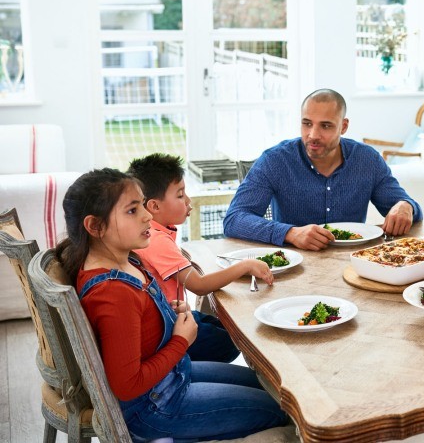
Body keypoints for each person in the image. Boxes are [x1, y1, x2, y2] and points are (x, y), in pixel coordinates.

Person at [55, 168, 288, 440]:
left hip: (173, 377)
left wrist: (162, 314)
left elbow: (134, 325)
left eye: (142, 204)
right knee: (279, 409)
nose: (147, 215)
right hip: (156, 406)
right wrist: (181, 341)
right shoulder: (113, 292)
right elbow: (127, 386)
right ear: (95, 226)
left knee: (275, 389)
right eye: (132, 211)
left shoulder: (126, 260)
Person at [223, 88, 423, 250]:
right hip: (294, 267)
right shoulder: (275, 160)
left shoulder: (367, 160)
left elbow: (407, 208)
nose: (313, 135)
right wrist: (291, 233)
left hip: (353, 265)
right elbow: (234, 219)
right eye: (307, 123)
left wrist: (405, 206)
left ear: (343, 127)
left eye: (325, 126)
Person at [128, 153, 275, 363]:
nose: (189, 201)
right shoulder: (156, 239)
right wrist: (245, 266)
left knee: (230, 327)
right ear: (154, 206)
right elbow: (199, 285)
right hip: (168, 329)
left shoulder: (155, 232)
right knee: (234, 340)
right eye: (180, 195)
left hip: (173, 314)